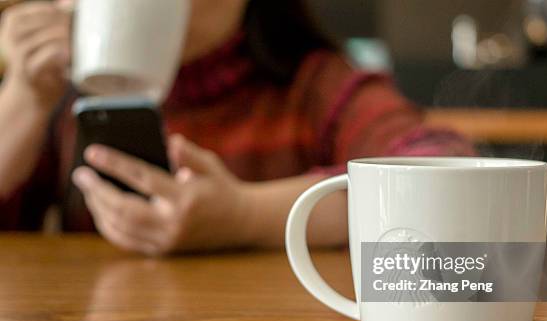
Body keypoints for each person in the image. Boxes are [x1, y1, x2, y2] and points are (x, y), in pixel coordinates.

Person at [0, 0, 474, 255]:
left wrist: (245, 215)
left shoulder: (312, 84)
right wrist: (22, 96)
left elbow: (444, 180)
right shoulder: (64, 93)